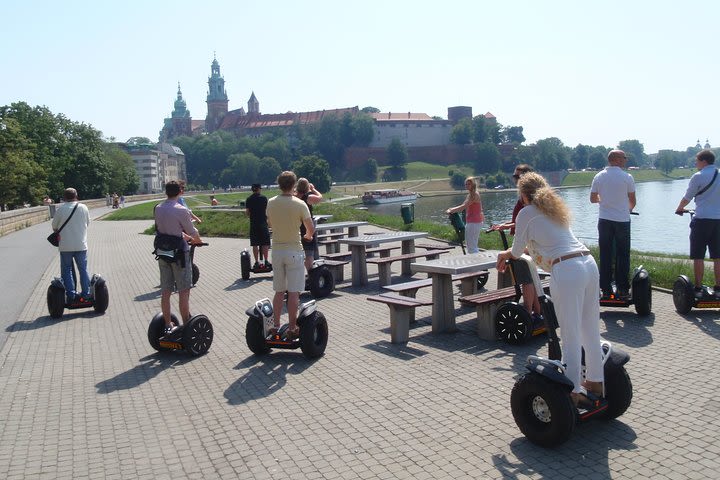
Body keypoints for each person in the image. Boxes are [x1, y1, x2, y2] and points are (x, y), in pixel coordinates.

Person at [495, 172, 603, 406]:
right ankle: (596, 382)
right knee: (590, 329)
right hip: (588, 263)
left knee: (570, 333)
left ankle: (574, 390)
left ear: (523, 195)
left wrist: (504, 255)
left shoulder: (526, 212)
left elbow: (516, 251)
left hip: (566, 270)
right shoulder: (554, 209)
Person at [266, 171, 314, 339]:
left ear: (279, 185)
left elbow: (270, 223)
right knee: (294, 292)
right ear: (293, 185)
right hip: (294, 249)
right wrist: (308, 235)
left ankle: (276, 326)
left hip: (277, 250)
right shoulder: (300, 204)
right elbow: (310, 227)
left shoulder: (271, 203)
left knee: (279, 291)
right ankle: (293, 328)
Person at [491, 164, 542, 321]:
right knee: (531, 277)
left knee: (526, 278)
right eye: (514, 176)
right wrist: (507, 225)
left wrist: (508, 252)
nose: (515, 179)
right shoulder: (536, 200)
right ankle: (538, 312)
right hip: (527, 241)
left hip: (525, 243)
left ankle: (528, 312)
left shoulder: (525, 199)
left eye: (517, 177)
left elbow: (525, 220)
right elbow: (519, 220)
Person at [154, 180, 203, 334]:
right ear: (180, 192)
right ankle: (187, 324)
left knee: (166, 290)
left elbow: (166, 230)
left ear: (166, 192)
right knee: (183, 290)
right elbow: (192, 232)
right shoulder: (181, 210)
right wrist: (198, 241)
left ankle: (168, 324)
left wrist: (185, 236)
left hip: (163, 252)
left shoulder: (158, 208)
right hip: (179, 254)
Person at [590, 150, 636, 300]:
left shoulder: (599, 176)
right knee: (623, 254)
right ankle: (622, 288)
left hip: (604, 219)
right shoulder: (627, 177)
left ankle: (606, 289)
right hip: (622, 220)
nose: (625, 160)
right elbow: (633, 201)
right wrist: (626, 209)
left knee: (605, 254)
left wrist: (604, 201)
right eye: (624, 158)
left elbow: (592, 198)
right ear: (616, 159)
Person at [674, 149, 720, 297]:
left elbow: (687, 197)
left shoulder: (698, 176)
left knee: (698, 255)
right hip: (718, 220)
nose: (695, 163)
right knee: (718, 256)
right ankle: (718, 287)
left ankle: (699, 288)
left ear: (704, 161)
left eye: (697, 161)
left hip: (701, 219)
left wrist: (680, 208)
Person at [51, 188, 91, 304]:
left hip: (65, 246)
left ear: (64, 197)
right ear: (76, 195)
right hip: (81, 244)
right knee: (83, 269)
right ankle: (86, 293)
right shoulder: (83, 207)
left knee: (67, 270)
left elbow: (54, 227)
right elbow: (87, 223)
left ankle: (71, 295)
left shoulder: (61, 209)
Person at [446, 176, 484, 254]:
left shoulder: (474, 195)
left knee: (471, 246)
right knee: (472, 245)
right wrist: (452, 209)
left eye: (468, 184)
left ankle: (475, 262)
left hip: (473, 222)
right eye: (466, 184)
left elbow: (463, 207)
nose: (467, 186)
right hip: (474, 222)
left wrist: (451, 210)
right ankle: (476, 261)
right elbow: (463, 205)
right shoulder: (471, 194)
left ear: (473, 184)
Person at [294, 178, 323, 272]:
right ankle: (310, 273)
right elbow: (320, 198)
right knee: (309, 252)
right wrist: (313, 189)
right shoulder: (308, 197)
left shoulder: (294, 197)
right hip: (307, 226)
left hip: (296, 226)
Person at [245, 184, 272, 269]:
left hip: (254, 223)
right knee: (265, 243)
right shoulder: (263, 198)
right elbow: (267, 210)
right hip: (263, 222)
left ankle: (256, 262)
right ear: (259, 189)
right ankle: (266, 261)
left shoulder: (249, 199)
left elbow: (247, 212)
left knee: (255, 244)